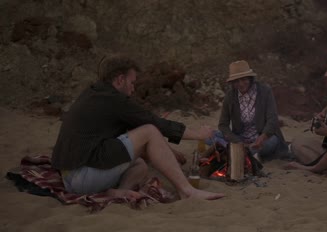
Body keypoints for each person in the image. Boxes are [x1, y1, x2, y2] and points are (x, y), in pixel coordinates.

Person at [51, 54, 224, 201]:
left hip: (70, 175)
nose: (133, 88)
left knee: (140, 165)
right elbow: (155, 124)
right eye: (132, 82)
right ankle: (186, 190)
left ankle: (119, 191)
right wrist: (198, 134)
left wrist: (169, 151)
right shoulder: (114, 100)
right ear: (120, 79)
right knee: (149, 131)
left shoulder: (95, 93)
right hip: (83, 176)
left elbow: (131, 135)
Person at [216, 60, 287, 162]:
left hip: (262, 139)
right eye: (236, 81)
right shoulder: (230, 96)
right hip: (240, 139)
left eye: (244, 79)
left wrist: (262, 138)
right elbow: (223, 125)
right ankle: (247, 153)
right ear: (232, 83)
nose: (240, 84)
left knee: (273, 141)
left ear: (250, 78)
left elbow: (272, 119)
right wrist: (238, 141)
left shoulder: (265, 91)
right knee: (213, 136)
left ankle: (243, 153)